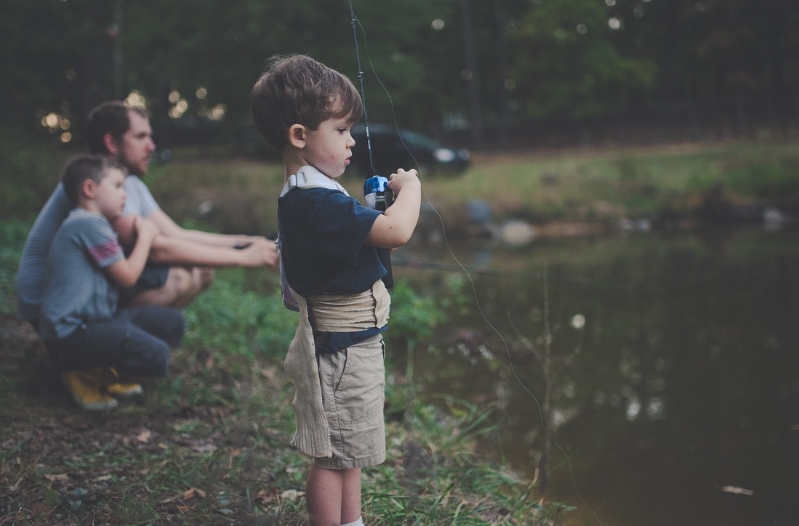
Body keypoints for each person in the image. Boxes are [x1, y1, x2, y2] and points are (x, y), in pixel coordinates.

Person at [251, 54, 421, 526]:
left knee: (349, 450)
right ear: (300, 136)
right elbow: (395, 232)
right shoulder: (313, 202)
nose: (350, 142)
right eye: (341, 130)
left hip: (353, 346)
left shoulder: (317, 192)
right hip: (341, 352)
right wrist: (412, 190)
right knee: (333, 455)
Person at [16, 100, 278, 325]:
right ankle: (108, 354)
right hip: (51, 306)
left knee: (201, 270)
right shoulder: (99, 190)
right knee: (179, 277)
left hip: (85, 290)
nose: (151, 146)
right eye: (140, 137)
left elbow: (176, 233)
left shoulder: (127, 183)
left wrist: (246, 242)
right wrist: (244, 259)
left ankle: (133, 346)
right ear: (111, 142)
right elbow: (158, 248)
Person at [39, 155, 185, 411]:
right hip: (71, 334)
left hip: (97, 322)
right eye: (117, 186)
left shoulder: (91, 223)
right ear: (89, 189)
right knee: (157, 354)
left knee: (173, 322)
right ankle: (81, 373)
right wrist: (147, 236)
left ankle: (101, 369)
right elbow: (128, 276)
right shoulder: (88, 223)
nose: (124, 195)